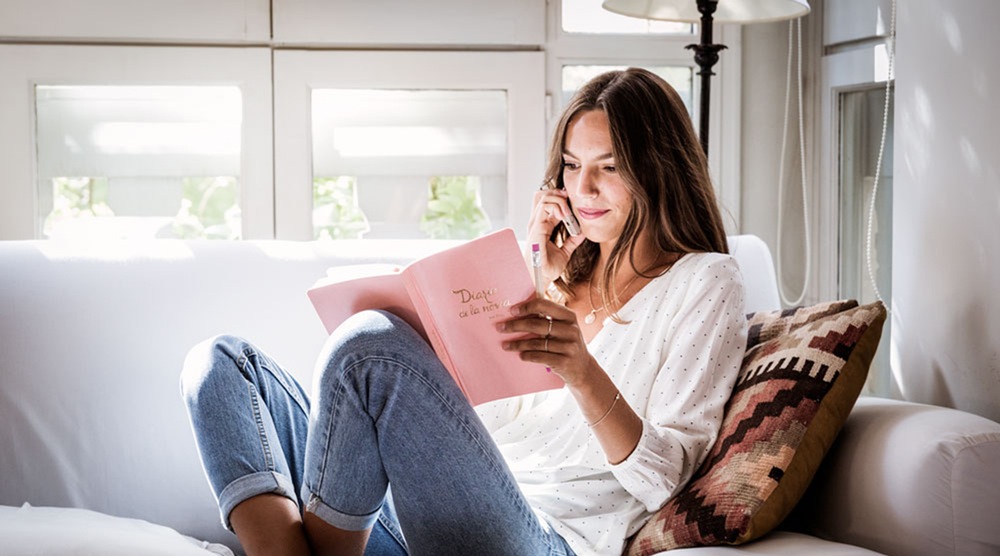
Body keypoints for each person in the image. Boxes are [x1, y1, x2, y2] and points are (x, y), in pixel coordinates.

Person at [180, 67, 747, 556]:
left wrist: (583, 372)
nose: (583, 189)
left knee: (367, 348)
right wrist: (534, 281)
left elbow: (666, 479)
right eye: (571, 166)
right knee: (220, 364)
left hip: (547, 538)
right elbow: (489, 431)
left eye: (610, 167)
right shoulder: (554, 277)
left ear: (658, 168)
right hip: (416, 524)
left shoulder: (703, 281)